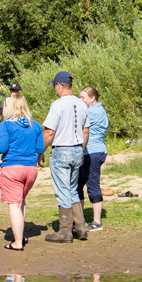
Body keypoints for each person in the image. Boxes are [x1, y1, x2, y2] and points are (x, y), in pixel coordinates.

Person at [42, 71, 90, 243]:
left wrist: (40, 151)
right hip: (78, 149)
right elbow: (86, 131)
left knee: (63, 192)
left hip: (62, 150)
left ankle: (64, 231)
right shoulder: (82, 104)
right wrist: (82, 151)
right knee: (72, 190)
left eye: (55, 86)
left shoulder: (58, 104)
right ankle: (80, 227)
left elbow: (49, 132)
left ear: (59, 86)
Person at [0, 94, 44, 251]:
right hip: (31, 169)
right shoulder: (35, 125)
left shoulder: (7, 124)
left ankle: (17, 243)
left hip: (12, 168)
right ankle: (20, 235)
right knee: (21, 201)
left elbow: (2, 147)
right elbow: (40, 149)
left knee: (14, 204)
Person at [78, 87, 110, 232]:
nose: (80, 100)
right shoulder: (98, 109)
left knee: (92, 185)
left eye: (83, 97)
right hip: (90, 151)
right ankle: (78, 219)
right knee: (78, 185)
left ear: (92, 98)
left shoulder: (93, 111)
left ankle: (97, 222)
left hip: (93, 152)